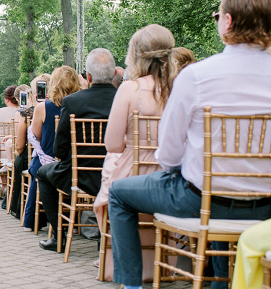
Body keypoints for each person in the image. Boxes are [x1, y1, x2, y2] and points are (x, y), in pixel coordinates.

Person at [97, 0, 271, 289]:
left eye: (217, 14)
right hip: (266, 209)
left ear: (228, 22)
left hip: (200, 200)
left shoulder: (197, 77)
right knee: (214, 191)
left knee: (119, 193)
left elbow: (169, 154)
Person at [37, 49, 118, 252]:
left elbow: (60, 149)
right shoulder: (122, 99)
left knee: (42, 173)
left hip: (78, 175)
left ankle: (58, 236)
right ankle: (104, 237)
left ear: (88, 77)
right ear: (114, 73)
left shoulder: (73, 102)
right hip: (115, 174)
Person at [94, 24, 176, 218]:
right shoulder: (179, 89)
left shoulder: (129, 89)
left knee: (109, 182)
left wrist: (133, 144)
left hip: (133, 173)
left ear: (136, 55)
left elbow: (112, 145)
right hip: (170, 176)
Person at [23, 67, 82, 232]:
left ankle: (31, 220)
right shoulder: (80, 107)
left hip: (47, 160)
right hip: (74, 162)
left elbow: (36, 135)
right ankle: (73, 221)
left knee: (36, 168)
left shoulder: (43, 107)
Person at [0, 85, 26, 199]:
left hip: (0, 151)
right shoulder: (24, 112)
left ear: (7, 99)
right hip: (17, 151)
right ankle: (6, 186)